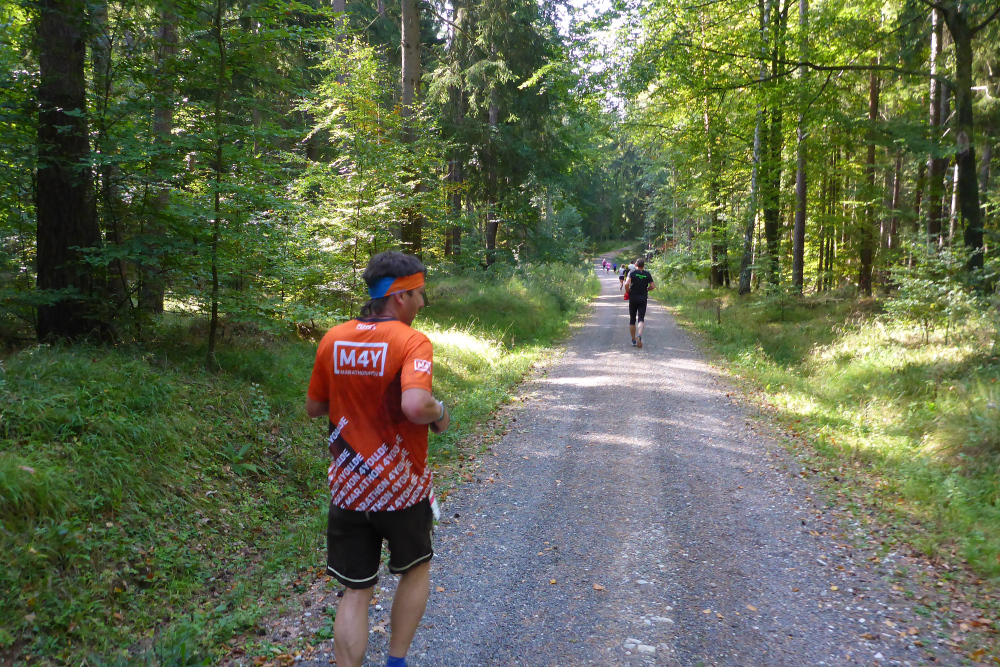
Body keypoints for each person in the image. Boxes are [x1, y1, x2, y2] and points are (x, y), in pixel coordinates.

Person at [305, 251, 450, 667]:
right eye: (419, 294)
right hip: (402, 487)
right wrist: (440, 412)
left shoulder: (334, 338)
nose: (422, 303)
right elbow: (416, 405)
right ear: (400, 296)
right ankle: (396, 662)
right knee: (415, 570)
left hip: (349, 487)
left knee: (355, 591)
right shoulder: (412, 341)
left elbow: (315, 407)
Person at [624, 258, 655, 348]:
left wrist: (628, 290)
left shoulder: (632, 272)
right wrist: (648, 289)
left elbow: (626, 284)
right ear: (643, 266)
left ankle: (633, 340)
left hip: (633, 297)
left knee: (632, 319)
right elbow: (653, 286)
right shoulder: (647, 274)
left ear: (636, 265)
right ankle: (639, 335)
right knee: (641, 318)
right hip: (643, 298)